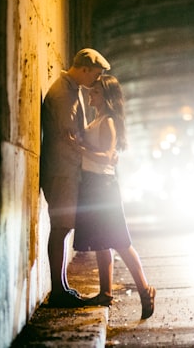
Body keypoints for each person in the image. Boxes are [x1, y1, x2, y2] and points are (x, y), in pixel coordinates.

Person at [73, 74, 156, 319]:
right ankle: (105, 293)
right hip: (92, 184)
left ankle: (144, 289)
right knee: (101, 241)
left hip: (103, 186)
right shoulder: (97, 118)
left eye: (96, 92)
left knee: (120, 241)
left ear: (106, 97)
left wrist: (78, 147)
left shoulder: (107, 121)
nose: (91, 95)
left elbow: (108, 156)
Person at [40, 48, 111, 307]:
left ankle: (62, 287)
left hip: (67, 171)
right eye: (96, 74)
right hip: (62, 171)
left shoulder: (72, 91)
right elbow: (70, 136)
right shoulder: (62, 93)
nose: (97, 79)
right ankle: (58, 290)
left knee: (64, 226)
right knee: (60, 228)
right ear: (84, 69)